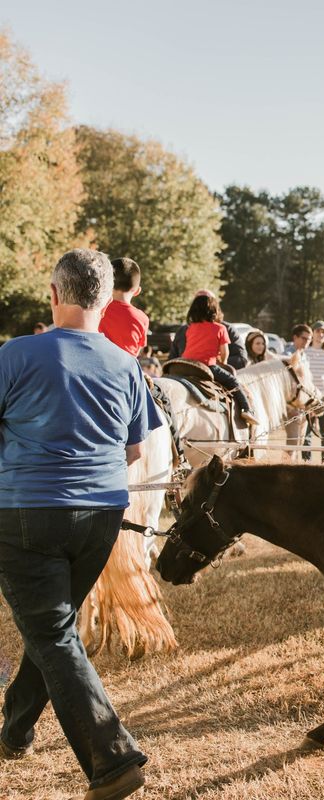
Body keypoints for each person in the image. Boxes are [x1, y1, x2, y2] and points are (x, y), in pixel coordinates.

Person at [0, 249, 154, 798]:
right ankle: (15, 728)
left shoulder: (14, 354)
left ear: (54, 293)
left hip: (27, 512)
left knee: (53, 634)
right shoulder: (126, 363)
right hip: (101, 516)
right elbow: (135, 449)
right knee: (52, 629)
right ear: (106, 299)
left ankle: (113, 761)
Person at [180, 294, 259, 427]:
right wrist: (223, 362)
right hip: (206, 365)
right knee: (233, 381)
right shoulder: (220, 328)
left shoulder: (190, 328)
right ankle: (246, 409)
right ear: (214, 310)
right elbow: (225, 352)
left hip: (185, 364)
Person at [168, 290, 247, 369]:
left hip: (196, 368)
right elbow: (171, 360)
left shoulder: (228, 329)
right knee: (232, 381)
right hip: (190, 369)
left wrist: (215, 363)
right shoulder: (183, 330)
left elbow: (241, 359)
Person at [97, 258, 148, 358]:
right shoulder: (142, 319)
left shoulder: (96, 310)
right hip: (127, 371)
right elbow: (137, 352)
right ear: (137, 291)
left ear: (106, 285)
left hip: (99, 367)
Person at [302, 321, 324, 464]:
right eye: (318, 331)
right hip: (308, 398)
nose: (321, 334)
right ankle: (306, 463)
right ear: (313, 333)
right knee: (306, 433)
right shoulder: (305, 352)